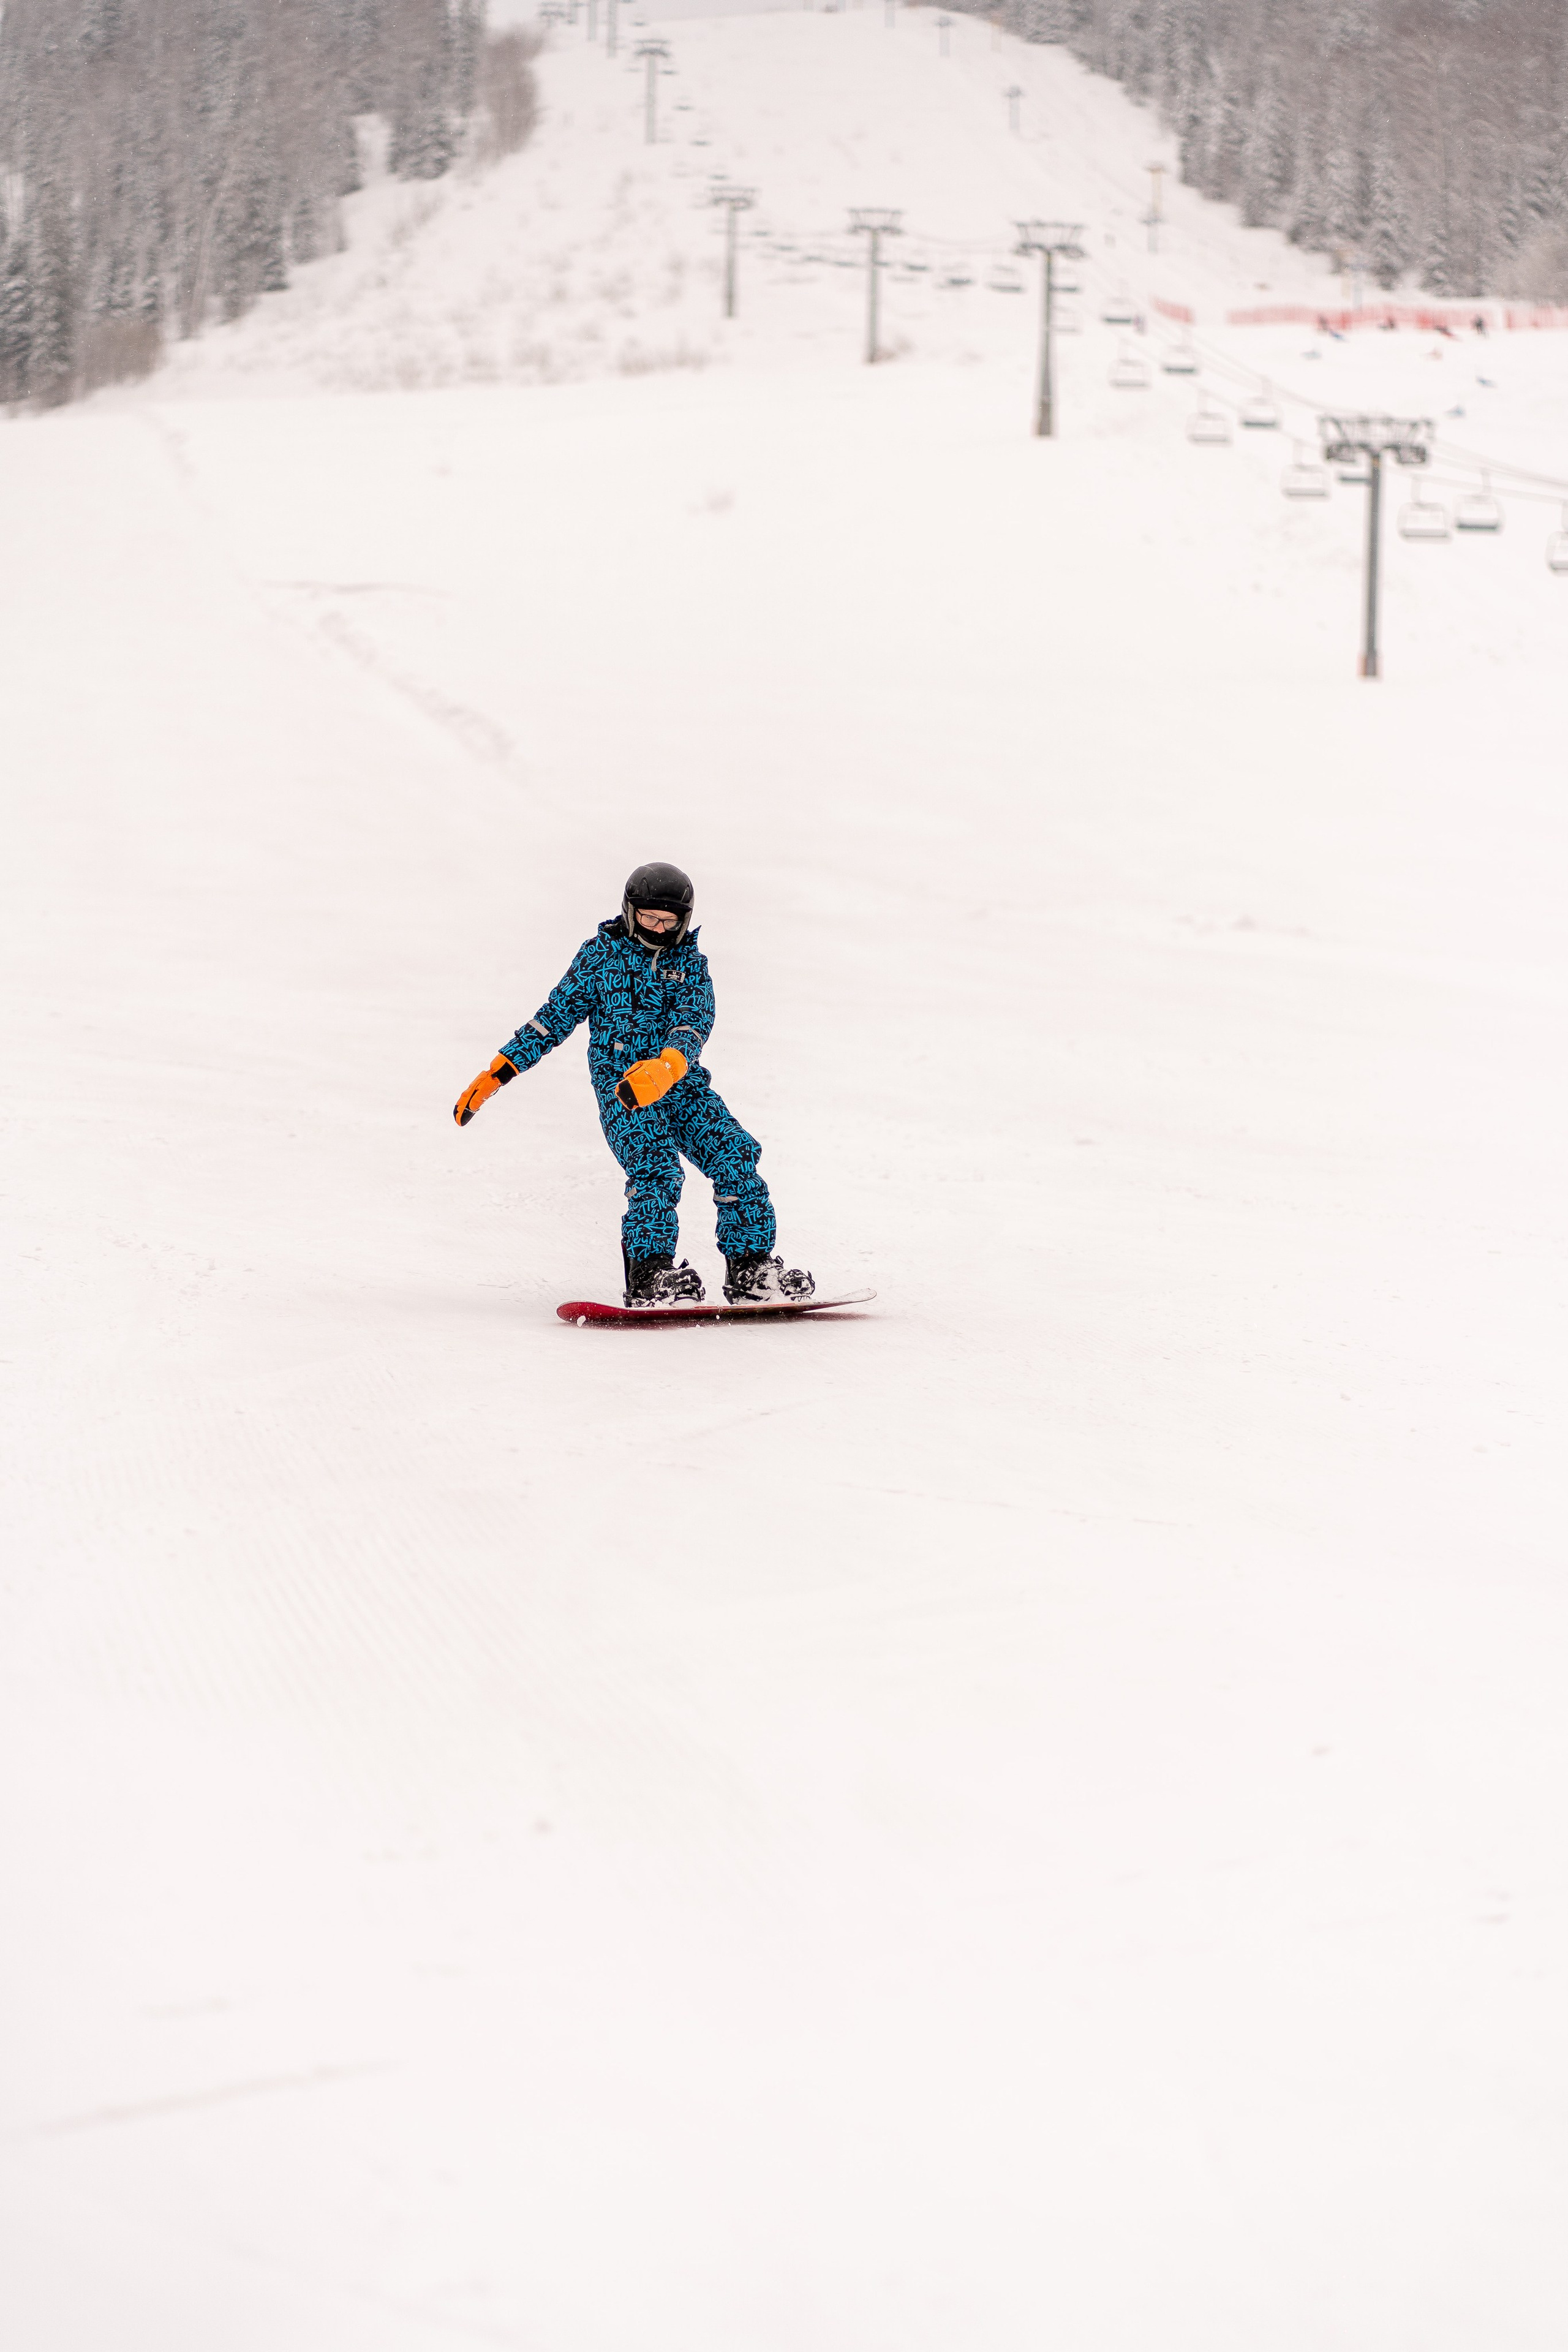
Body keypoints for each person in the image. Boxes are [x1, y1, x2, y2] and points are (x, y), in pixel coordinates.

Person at [454, 862, 815, 1310]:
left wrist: (668, 1066)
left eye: (670, 921)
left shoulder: (690, 964)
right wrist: (500, 1071)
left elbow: (694, 1022)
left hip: (680, 1086)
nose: (659, 929)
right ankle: (650, 1273)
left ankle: (750, 1268)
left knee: (735, 1154)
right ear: (629, 912)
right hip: (624, 1093)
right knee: (657, 1171)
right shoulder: (600, 958)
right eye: (649, 918)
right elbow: (553, 1020)